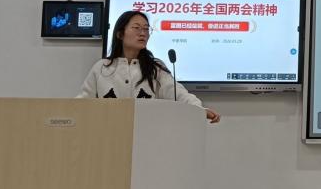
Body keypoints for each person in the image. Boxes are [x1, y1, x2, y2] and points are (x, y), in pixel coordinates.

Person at [77, 10, 221, 123]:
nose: (143, 33)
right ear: (120, 34)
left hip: (147, 135)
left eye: (146, 29)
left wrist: (200, 109)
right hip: (108, 135)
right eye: (136, 28)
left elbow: (178, 93)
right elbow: (82, 102)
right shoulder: (101, 67)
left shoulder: (155, 67)